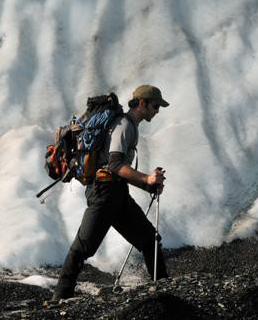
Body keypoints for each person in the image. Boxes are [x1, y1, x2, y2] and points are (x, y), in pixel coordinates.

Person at [53, 85, 170, 300]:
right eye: (155, 106)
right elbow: (115, 165)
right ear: (142, 103)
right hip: (104, 194)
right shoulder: (124, 125)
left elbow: (117, 169)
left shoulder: (128, 125)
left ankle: (163, 290)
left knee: (149, 239)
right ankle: (60, 296)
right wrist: (146, 179)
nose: (157, 111)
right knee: (83, 247)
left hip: (116, 193)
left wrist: (148, 184)